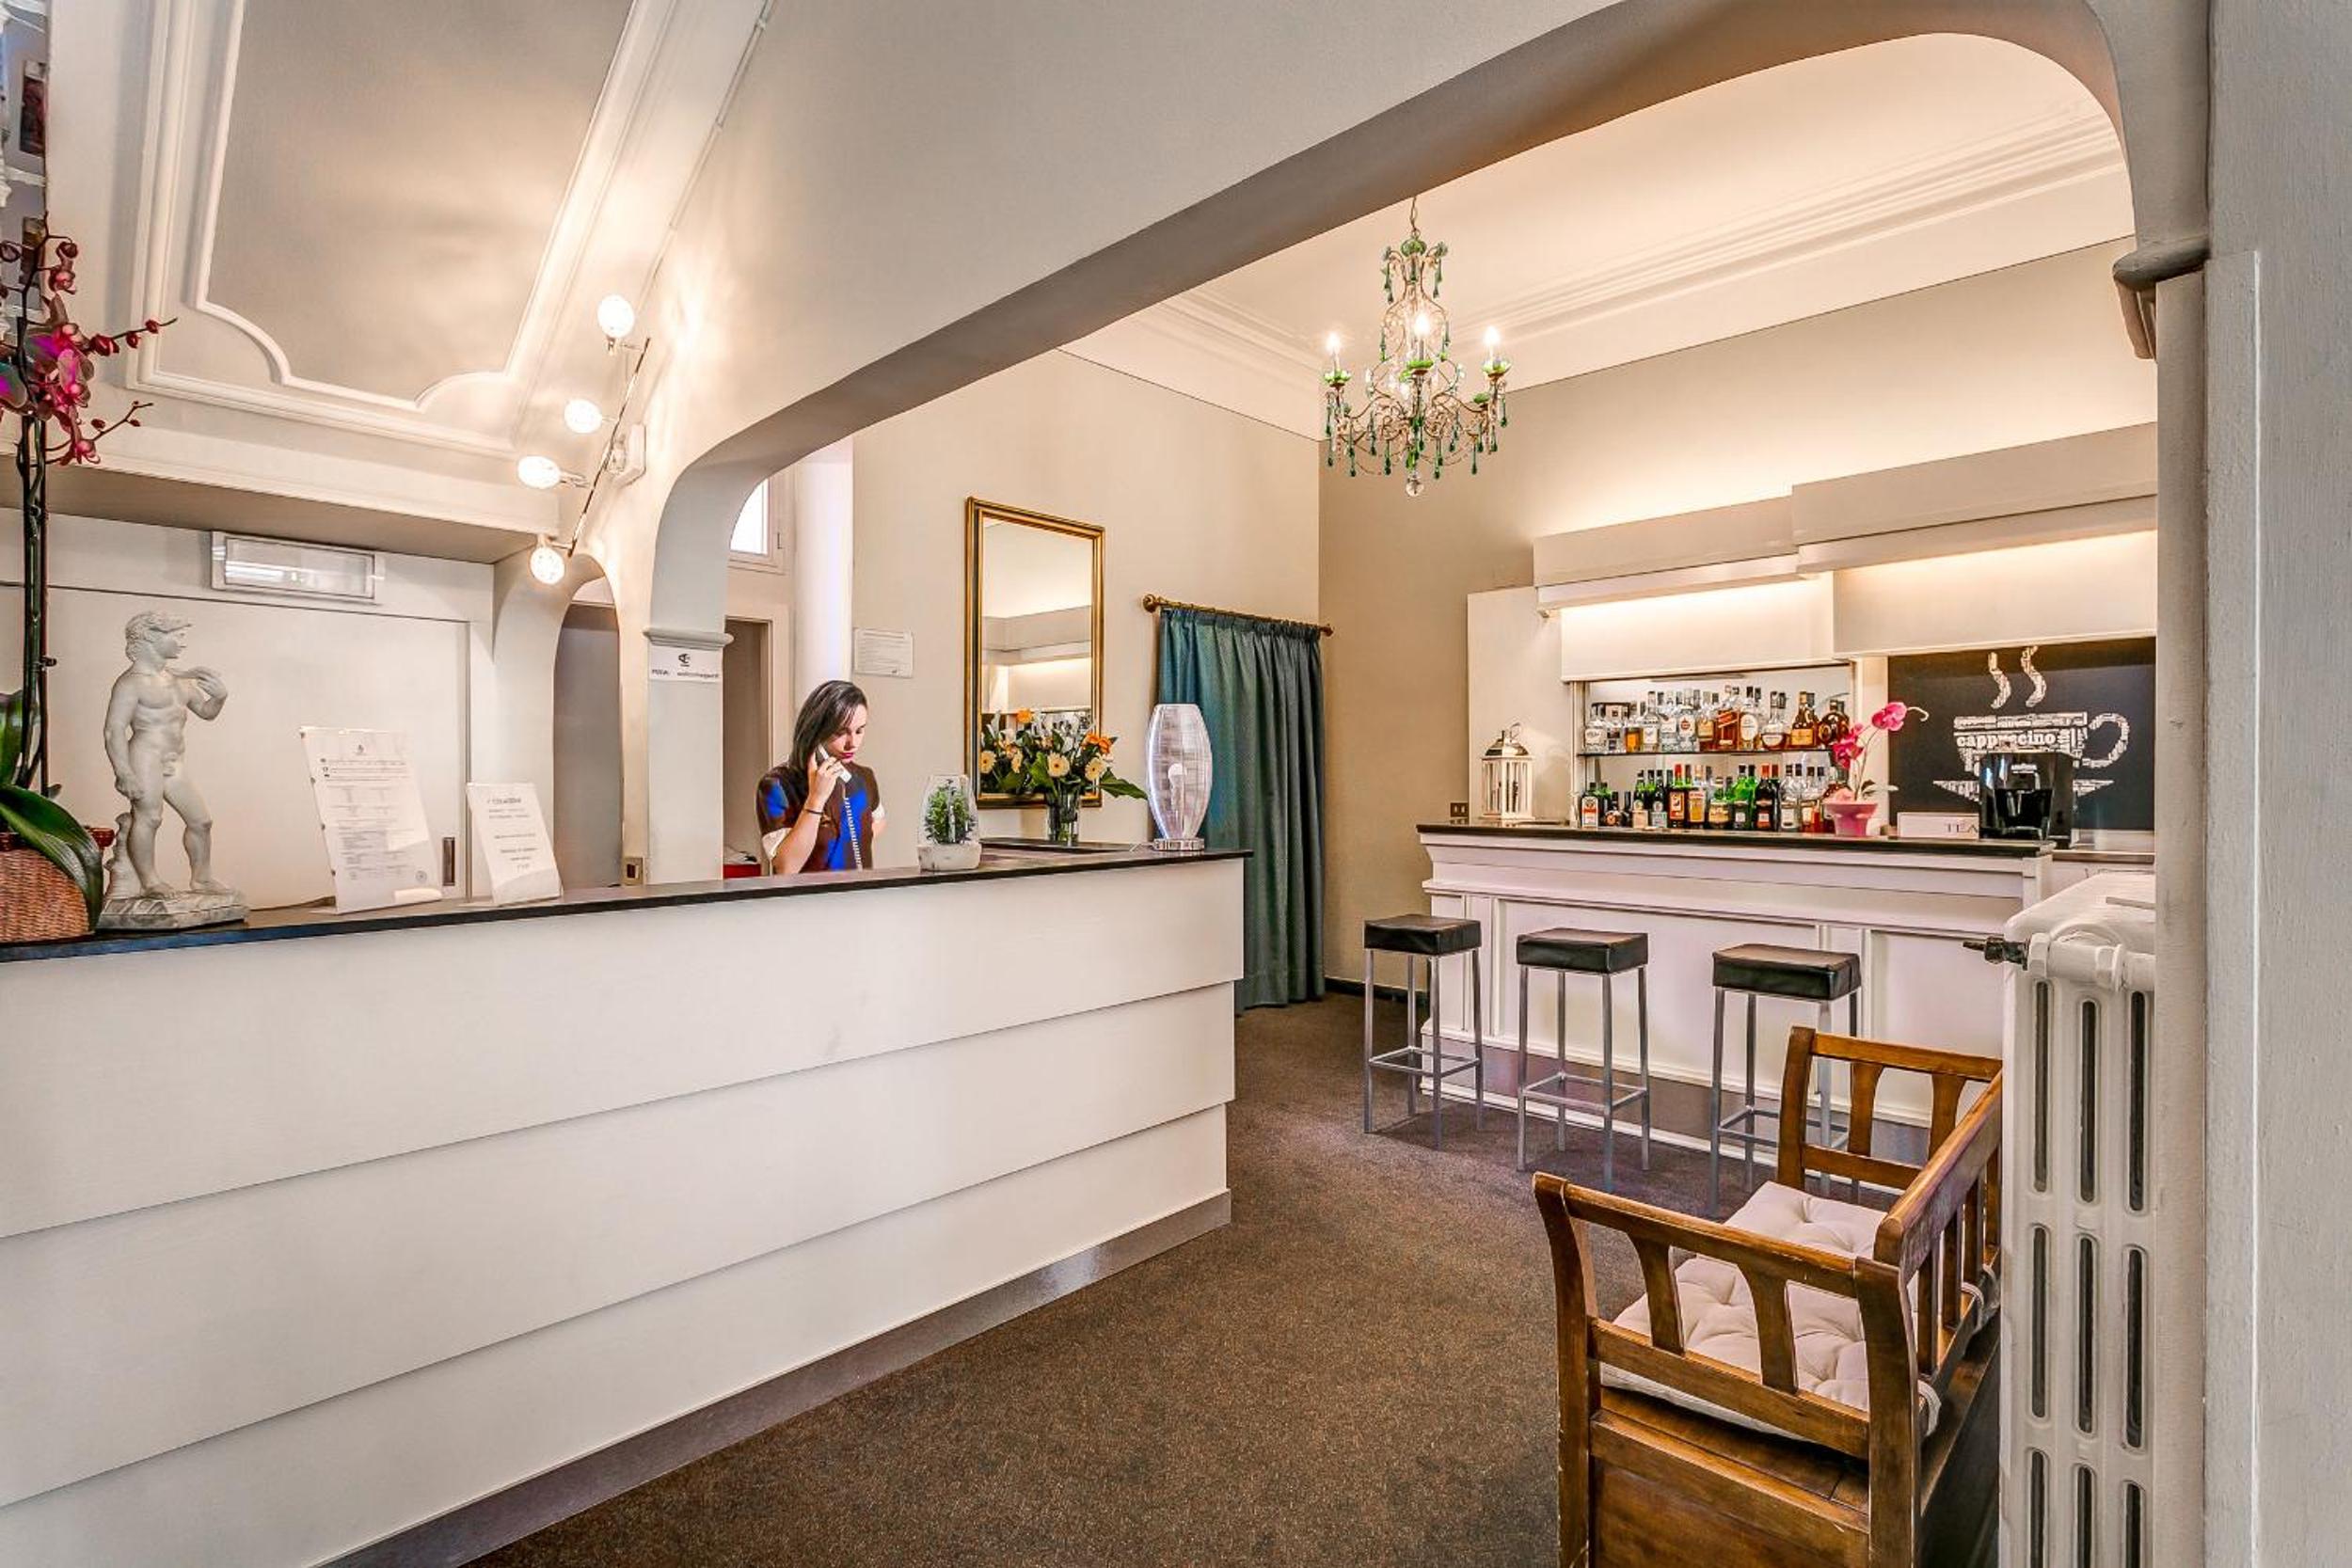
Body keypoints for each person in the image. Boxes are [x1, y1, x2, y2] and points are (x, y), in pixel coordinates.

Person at [757, 679, 884, 873]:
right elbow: (786, 867)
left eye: (859, 731)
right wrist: (816, 800)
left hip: (858, 891)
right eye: (841, 733)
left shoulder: (863, 777)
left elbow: (878, 821)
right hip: (809, 893)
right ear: (816, 731)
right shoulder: (777, 785)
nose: (852, 743)